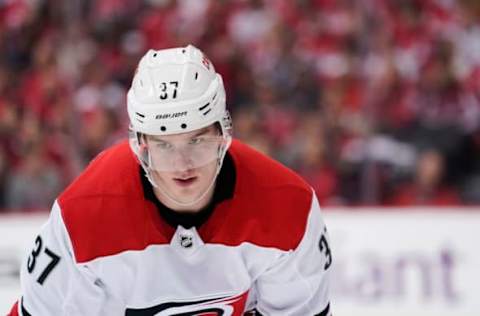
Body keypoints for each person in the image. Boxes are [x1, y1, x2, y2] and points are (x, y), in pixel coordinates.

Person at [9, 45, 332, 316]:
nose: (182, 164)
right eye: (164, 146)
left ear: (223, 135)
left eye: (196, 141)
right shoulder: (83, 216)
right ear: (141, 147)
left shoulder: (287, 207)